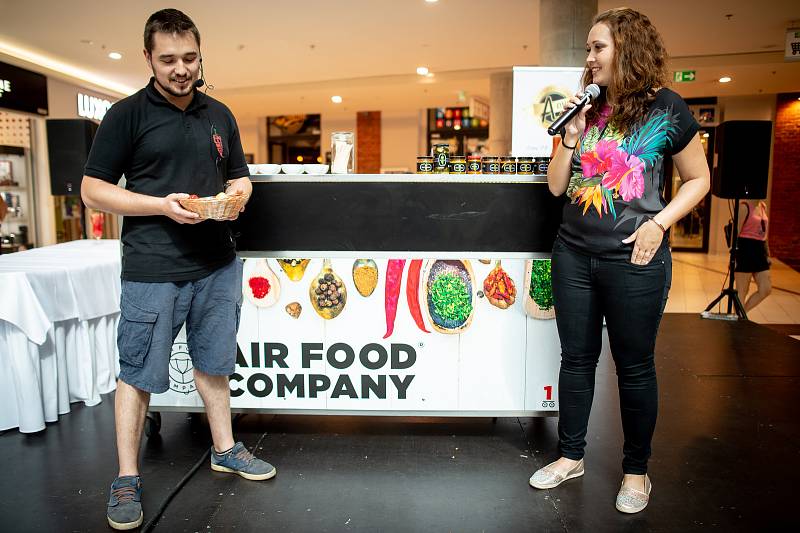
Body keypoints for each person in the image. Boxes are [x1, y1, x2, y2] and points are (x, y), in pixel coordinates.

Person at [81, 9, 275, 530]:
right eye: (168, 60)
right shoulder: (126, 115)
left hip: (217, 263)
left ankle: (225, 448)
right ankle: (126, 477)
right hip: (152, 267)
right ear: (148, 58)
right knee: (137, 371)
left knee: (214, 362)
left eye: (189, 58)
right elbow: (93, 189)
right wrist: (161, 205)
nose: (180, 69)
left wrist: (236, 195)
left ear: (199, 54)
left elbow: (241, 177)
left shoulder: (220, 113)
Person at [529, 8, 710, 513]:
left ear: (626, 49)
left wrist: (659, 222)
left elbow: (700, 180)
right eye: (587, 49)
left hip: (634, 261)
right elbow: (557, 185)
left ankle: (636, 471)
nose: (588, 58)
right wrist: (570, 133)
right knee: (576, 360)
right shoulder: (582, 109)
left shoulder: (667, 108)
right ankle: (571, 456)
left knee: (633, 368)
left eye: (597, 48)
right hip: (573, 254)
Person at [734, 200, 771, 312]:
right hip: (745, 249)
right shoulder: (744, 206)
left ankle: (741, 315)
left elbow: (764, 233)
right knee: (742, 291)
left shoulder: (762, 206)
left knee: (766, 289)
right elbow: (734, 234)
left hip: (760, 249)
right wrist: (734, 257)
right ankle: (739, 321)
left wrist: (767, 253)